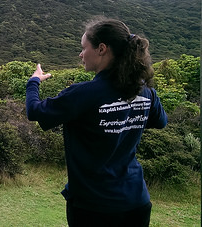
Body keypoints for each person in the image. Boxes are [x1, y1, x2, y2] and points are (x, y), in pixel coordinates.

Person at [25, 18, 167, 227]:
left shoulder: (84, 94)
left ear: (102, 49)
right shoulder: (146, 92)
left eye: (84, 48)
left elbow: (35, 111)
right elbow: (160, 121)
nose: (80, 54)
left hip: (94, 207)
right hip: (136, 202)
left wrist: (33, 81)